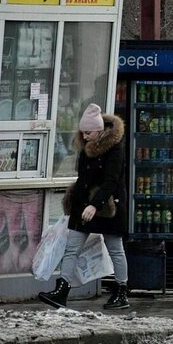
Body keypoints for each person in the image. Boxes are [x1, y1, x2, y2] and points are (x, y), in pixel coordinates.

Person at [38, 104, 130, 310]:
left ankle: (121, 291)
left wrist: (95, 205)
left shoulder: (114, 148)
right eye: (82, 132)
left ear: (99, 130)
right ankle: (62, 290)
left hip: (108, 206)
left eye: (88, 132)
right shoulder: (85, 147)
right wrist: (74, 202)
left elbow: (111, 180)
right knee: (71, 248)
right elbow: (83, 178)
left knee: (115, 248)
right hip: (84, 205)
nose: (85, 136)